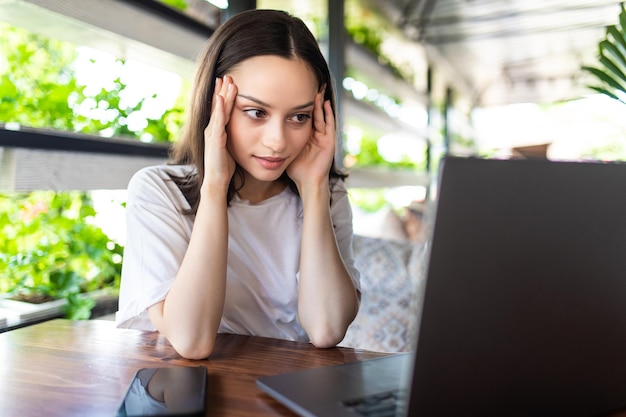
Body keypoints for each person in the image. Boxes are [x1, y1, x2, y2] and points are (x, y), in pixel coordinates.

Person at [115, 9, 361, 360]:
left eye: (299, 116)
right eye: (256, 112)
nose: (277, 141)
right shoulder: (159, 191)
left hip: (285, 390)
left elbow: (326, 329)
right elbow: (192, 341)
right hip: (183, 392)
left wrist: (315, 188)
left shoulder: (325, 192)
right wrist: (215, 186)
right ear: (215, 106)